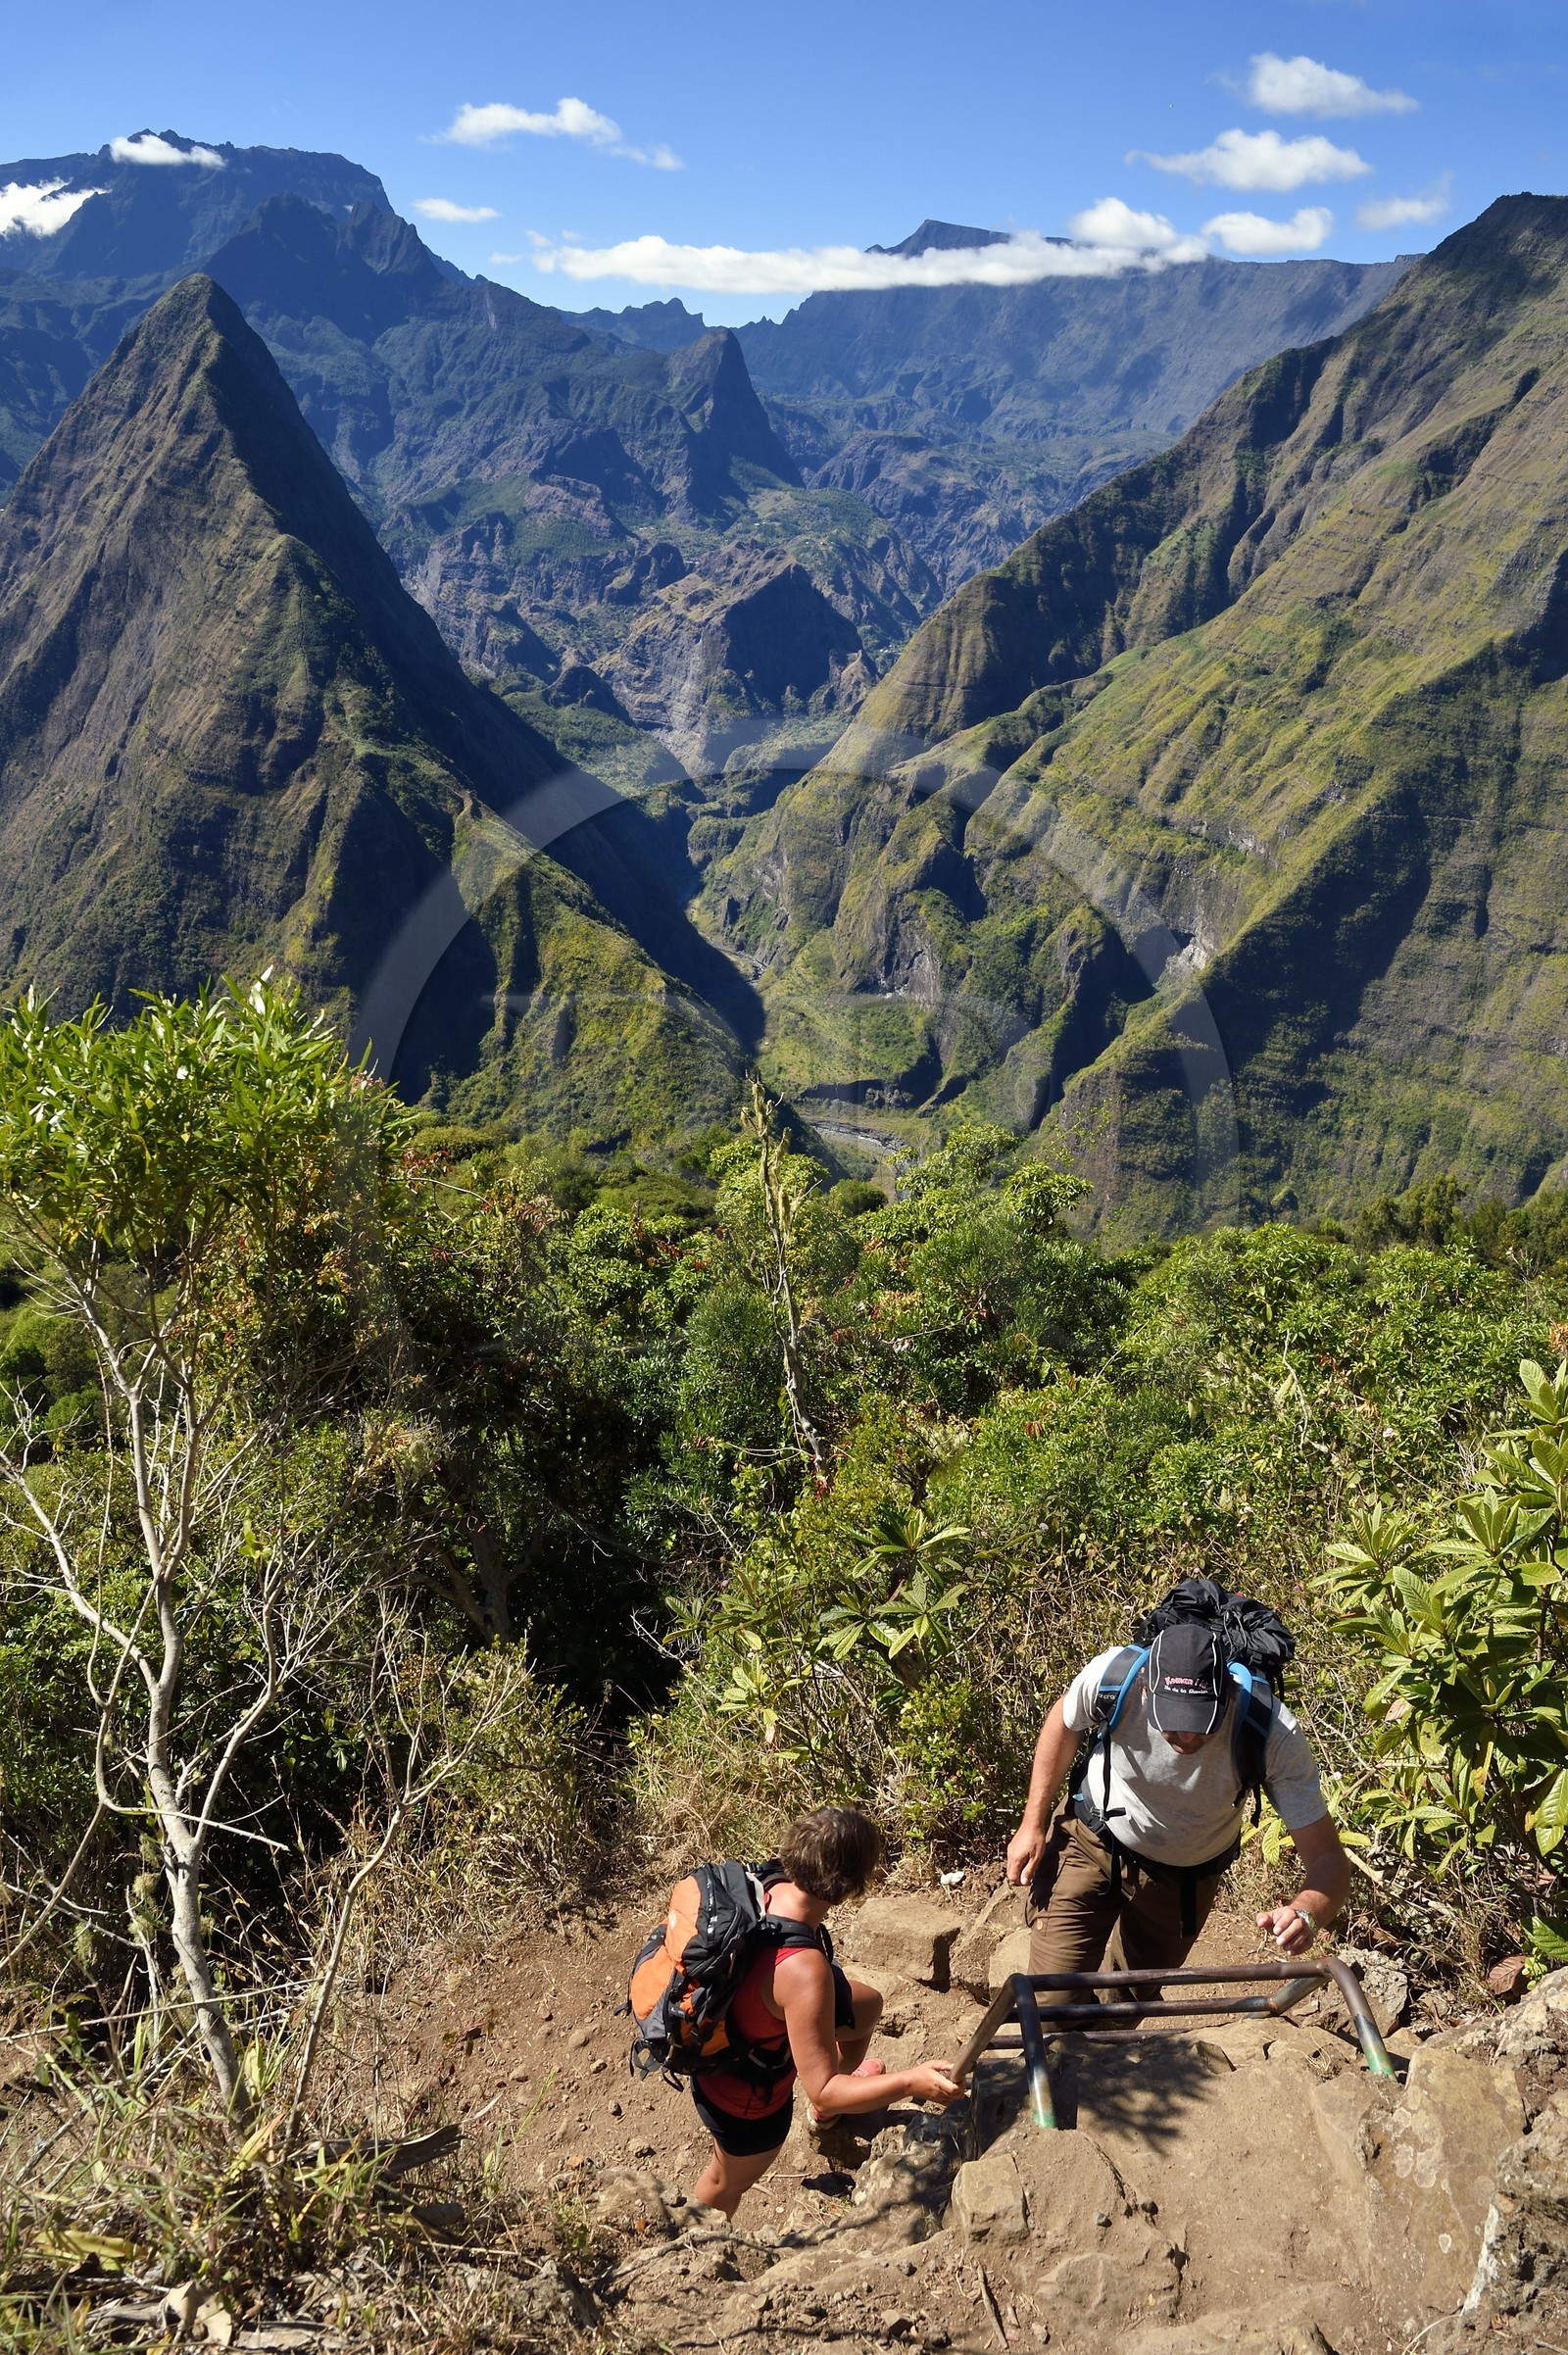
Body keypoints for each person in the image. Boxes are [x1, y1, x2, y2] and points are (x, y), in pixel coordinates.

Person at [1004, 1620, 1350, 1993]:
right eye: (1174, 1721)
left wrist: (1307, 1913)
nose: (1187, 1735)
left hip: (1186, 1877)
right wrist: (1032, 1822)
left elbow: (1329, 1859)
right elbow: (1064, 1719)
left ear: (1226, 1696)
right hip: (1093, 1840)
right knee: (1051, 2001)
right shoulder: (1115, 1677)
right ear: (1146, 1691)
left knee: (1127, 2004)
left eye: (1202, 1721)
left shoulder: (1271, 1731)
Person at [690, 1806, 962, 2217]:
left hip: (736, 2016)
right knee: (724, 2180)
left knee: (866, 2007)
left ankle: (831, 2113)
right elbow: (821, 2085)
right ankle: (697, 2249)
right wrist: (910, 2082)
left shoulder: (768, 1882)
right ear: (848, 1887)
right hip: (742, 2096)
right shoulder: (804, 1970)